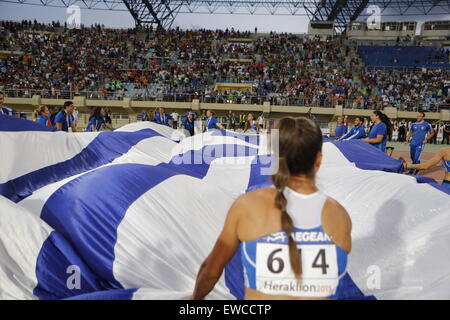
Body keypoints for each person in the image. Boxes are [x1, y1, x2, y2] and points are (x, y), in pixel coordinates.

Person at [192, 117, 351, 300]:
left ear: (274, 157)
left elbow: (211, 271)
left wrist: (193, 301)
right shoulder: (339, 216)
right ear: (318, 160)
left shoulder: (247, 206)